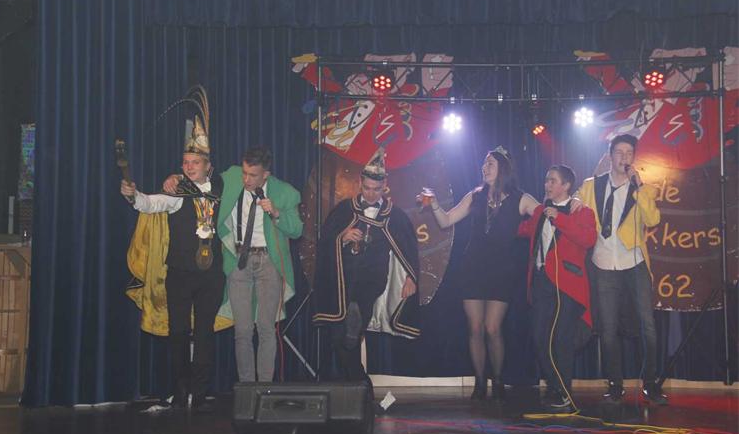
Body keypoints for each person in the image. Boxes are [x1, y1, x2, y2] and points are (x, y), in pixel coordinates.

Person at [164, 146, 302, 383]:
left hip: (269, 262)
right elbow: (200, 176)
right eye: (244, 173)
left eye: (253, 175)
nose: (246, 179)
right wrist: (176, 177)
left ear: (266, 174)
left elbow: (297, 230)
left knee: (266, 328)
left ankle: (264, 387)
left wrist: (277, 213)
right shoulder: (231, 178)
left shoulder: (285, 192)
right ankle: (247, 388)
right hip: (239, 261)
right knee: (243, 330)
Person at [121, 107, 224, 412]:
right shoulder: (177, 193)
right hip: (179, 274)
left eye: (195, 163)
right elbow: (149, 203)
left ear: (208, 166)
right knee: (177, 332)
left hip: (211, 275)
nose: (189, 167)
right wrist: (132, 195)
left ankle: (200, 394)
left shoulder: (221, 188)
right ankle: (180, 392)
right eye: (185, 163)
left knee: (204, 333)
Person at [421, 146, 541, 401]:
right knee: (474, 328)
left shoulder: (521, 198)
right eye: (484, 164)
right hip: (473, 267)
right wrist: (434, 204)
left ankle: (497, 380)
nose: (484, 168)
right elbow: (446, 221)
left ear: (503, 168)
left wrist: (572, 203)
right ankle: (479, 382)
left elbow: (544, 214)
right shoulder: (475, 196)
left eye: (490, 164)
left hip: (502, 271)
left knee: (492, 327)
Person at [313, 148, 420, 392]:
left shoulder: (395, 216)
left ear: (385, 187)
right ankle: (361, 386)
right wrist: (342, 237)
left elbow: (408, 249)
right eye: (367, 188)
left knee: (353, 323)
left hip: (371, 280)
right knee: (340, 338)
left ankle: (356, 318)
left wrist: (410, 277)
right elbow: (326, 241)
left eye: (377, 189)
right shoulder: (344, 210)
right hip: (342, 279)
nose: (371, 194)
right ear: (360, 184)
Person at [577, 134, 667, 405]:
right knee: (608, 328)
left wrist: (638, 189)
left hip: (634, 261)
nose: (624, 158)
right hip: (604, 262)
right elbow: (577, 207)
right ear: (610, 156)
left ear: (634, 157)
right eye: (619, 152)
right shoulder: (592, 185)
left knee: (647, 326)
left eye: (629, 153)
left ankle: (650, 383)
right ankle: (615, 384)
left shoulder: (643, 189)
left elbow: (653, 219)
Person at [518, 165, 596, 413]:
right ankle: (555, 385)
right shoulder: (541, 211)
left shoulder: (581, 211)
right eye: (546, 180)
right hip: (542, 281)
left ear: (566, 185)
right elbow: (522, 229)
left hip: (568, 284)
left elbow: (588, 240)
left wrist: (559, 218)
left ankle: (564, 392)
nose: (547, 185)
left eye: (553, 181)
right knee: (539, 336)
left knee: (562, 337)